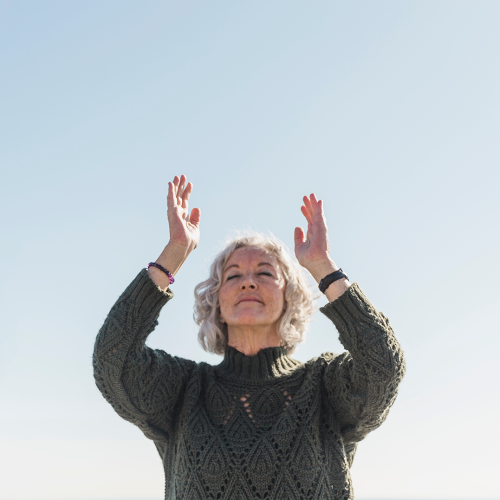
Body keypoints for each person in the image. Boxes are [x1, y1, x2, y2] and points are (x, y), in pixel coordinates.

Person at [93, 174, 406, 500]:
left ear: (291, 296)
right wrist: (173, 253)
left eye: (265, 273)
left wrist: (324, 268)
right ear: (216, 300)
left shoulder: (325, 386)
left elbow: (383, 366)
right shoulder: (182, 389)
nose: (248, 282)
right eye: (233, 276)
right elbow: (112, 359)